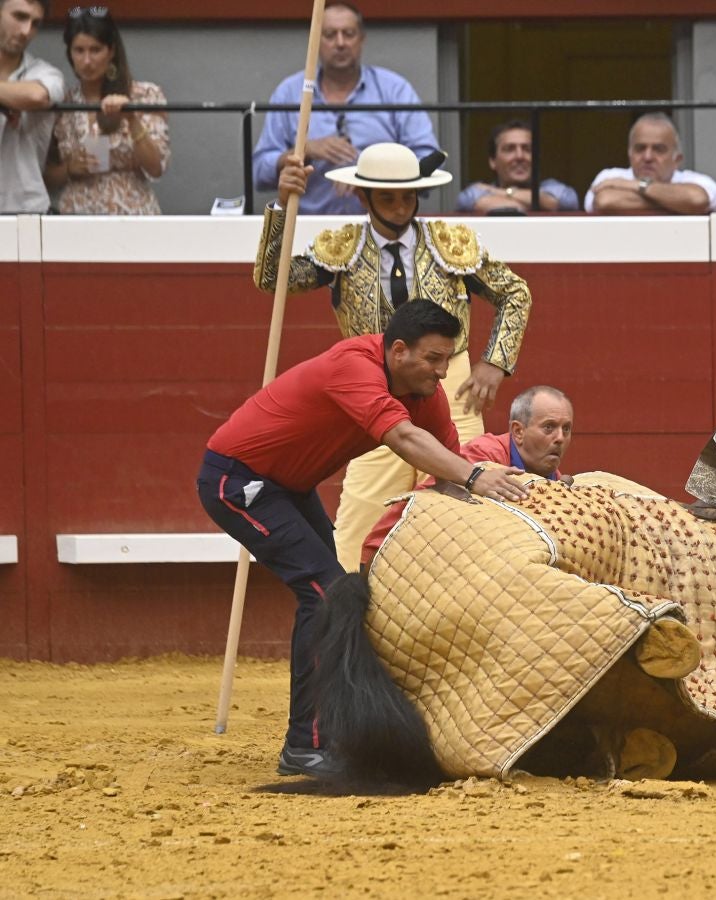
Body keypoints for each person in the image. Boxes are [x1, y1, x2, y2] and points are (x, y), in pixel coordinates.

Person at [197, 299, 531, 777]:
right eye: (434, 359)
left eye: (448, 359)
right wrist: (477, 475)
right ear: (398, 352)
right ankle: (304, 745)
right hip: (237, 480)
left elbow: (447, 472)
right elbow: (406, 442)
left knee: (338, 592)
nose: (443, 373)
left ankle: (325, 735)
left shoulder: (426, 393)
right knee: (327, 592)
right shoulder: (352, 365)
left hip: (289, 487)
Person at [253, 140, 532, 574]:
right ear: (363, 197)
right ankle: (347, 607)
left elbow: (515, 292)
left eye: (408, 196)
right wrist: (282, 204)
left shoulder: (450, 243)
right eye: (387, 197)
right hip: (373, 385)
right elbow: (273, 279)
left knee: (465, 504)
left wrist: (495, 361)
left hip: (449, 381)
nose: (401, 207)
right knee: (361, 515)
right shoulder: (341, 247)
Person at [251, 1, 437, 216]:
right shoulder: (291, 92)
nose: (340, 43)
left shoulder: (395, 90)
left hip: (382, 227)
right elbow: (259, 173)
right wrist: (304, 151)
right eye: (329, 35)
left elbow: (429, 162)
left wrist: (371, 174)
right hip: (308, 228)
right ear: (315, 41)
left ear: (362, 39)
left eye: (348, 34)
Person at [359, 384, 575, 567]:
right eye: (549, 427)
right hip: (389, 556)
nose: (560, 438)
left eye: (566, 429)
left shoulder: (554, 479)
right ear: (518, 431)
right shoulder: (484, 457)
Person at [43, 7, 168, 215]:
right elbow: (41, 177)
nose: (87, 61)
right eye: (79, 50)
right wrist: (68, 169)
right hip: (76, 216)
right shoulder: (63, 103)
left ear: (111, 51)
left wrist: (132, 119)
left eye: (95, 50)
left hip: (132, 214)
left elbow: (156, 167)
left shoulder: (144, 94)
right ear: (69, 53)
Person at [585, 112, 716, 215]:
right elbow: (605, 201)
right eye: (640, 148)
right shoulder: (609, 176)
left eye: (659, 149)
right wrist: (677, 203)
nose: (648, 157)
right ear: (630, 154)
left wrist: (636, 185)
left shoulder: (698, 180)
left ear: (677, 159)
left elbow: (697, 200)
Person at [0, 0, 62, 214]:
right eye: (19, 17)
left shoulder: (45, 73)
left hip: (25, 209)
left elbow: (36, 96)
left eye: (35, 23)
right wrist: (9, 98)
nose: (26, 31)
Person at [457, 120, 579, 214]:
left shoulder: (555, 189)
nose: (520, 156)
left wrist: (500, 193)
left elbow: (568, 202)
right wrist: (539, 204)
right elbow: (466, 201)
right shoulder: (476, 192)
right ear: (493, 161)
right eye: (509, 149)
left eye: (527, 149)